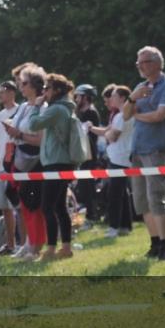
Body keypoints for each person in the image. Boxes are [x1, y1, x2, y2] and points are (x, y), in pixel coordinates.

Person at [122, 46, 165, 262]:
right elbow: (126, 115)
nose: (140, 66)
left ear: (157, 63)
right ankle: (154, 243)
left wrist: (137, 114)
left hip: (156, 148)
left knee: (156, 198)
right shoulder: (140, 87)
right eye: (138, 63)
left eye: (144, 62)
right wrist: (132, 98)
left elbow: (159, 116)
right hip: (137, 150)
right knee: (141, 201)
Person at [28, 74, 77, 261]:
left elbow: (33, 125)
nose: (44, 92)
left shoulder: (56, 109)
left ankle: (51, 248)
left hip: (56, 163)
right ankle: (65, 247)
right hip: (60, 161)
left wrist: (36, 106)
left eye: (47, 88)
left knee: (47, 206)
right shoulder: (64, 108)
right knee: (59, 207)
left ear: (57, 90)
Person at [3, 63, 48, 261]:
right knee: (23, 204)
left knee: (34, 204)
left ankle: (36, 246)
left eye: (24, 83)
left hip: (35, 160)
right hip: (21, 159)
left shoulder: (43, 108)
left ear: (35, 84)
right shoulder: (22, 107)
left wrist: (18, 133)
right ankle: (28, 242)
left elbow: (40, 139)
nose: (20, 86)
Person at [91, 86, 134, 238]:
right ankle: (125, 225)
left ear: (122, 98)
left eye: (114, 96)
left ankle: (114, 227)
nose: (111, 99)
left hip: (119, 158)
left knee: (115, 194)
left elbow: (112, 136)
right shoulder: (120, 115)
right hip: (119, 157)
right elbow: (108, 132)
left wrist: (108, 134)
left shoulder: (122, 116)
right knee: (121, 193)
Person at [0, 81, 20, 255]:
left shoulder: (20, 111)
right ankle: (10, 244)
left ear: (11, 93)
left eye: (2, 92)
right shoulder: (0, 114)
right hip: (0, 166)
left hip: (15, 165)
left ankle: (24, 243)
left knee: (19, 206)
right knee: (4, 206)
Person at [72, 84, 102, 225]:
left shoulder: (91, 113)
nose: (76, 98)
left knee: (88, 186)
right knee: (82, 187)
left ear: (85, 97)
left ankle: (92, 216)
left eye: (78, 96)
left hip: (88, 154)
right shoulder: (79, 112)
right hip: (80, 154)